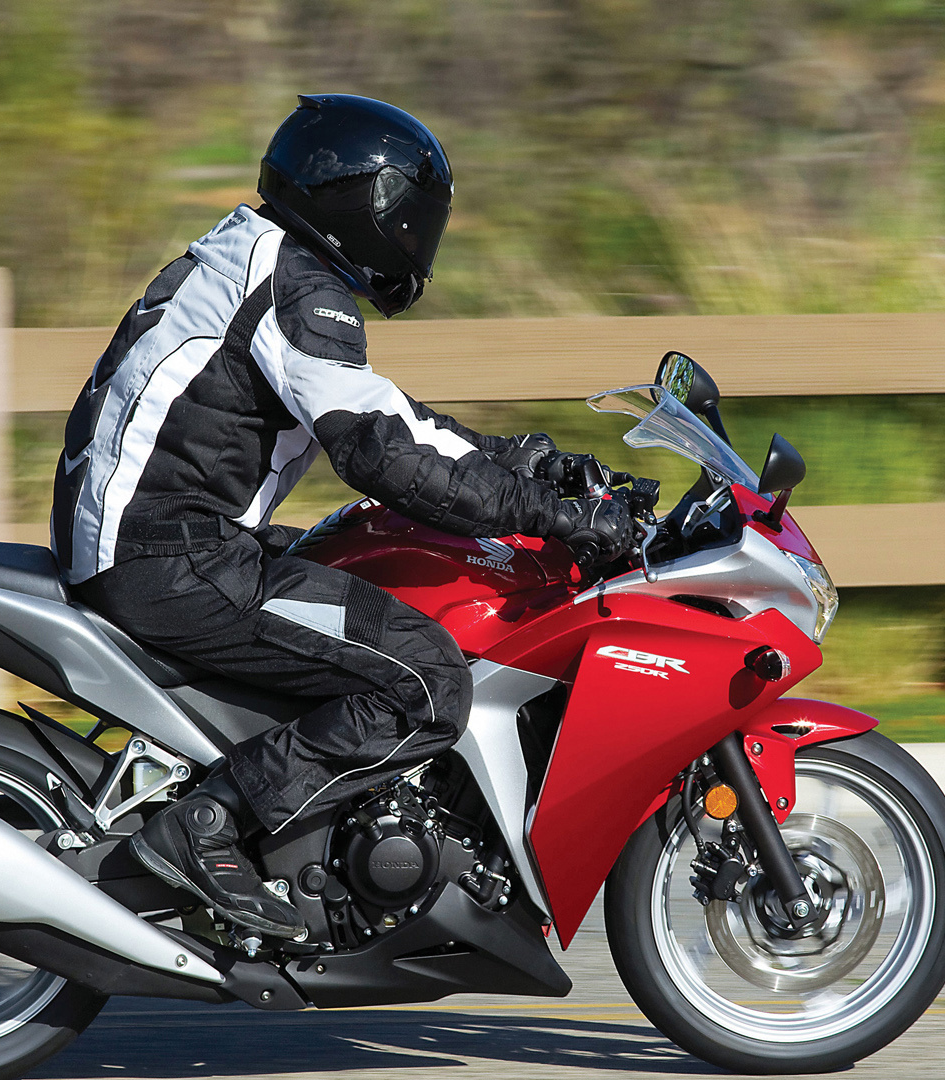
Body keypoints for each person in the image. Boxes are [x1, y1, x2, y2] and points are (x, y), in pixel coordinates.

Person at [49, 94, 633, 939]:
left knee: (359, 563)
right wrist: (553, 518)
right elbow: (380, 455)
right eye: (416, 216)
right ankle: (208, 825)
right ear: (370, 207)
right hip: (171, 558)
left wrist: (527, 460)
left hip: (162, 540)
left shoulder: (263, 257)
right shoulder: (297, 289)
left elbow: (385, 414)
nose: (421, 236)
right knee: (429, 680)